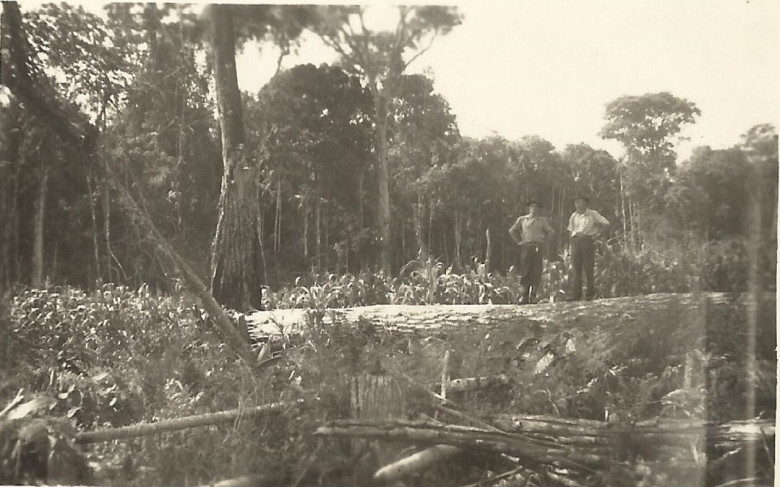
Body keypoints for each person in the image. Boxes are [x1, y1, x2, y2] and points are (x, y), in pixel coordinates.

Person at [509, 200, 555, 304]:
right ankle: (524, 296)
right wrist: (519, 242)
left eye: (536, 207)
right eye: (532, 207)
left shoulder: (542, 220)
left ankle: (533, 296)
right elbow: (512, 231)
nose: (534, 209)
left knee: (536, 271)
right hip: (526, 246)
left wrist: (545, 241)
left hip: (538, 246)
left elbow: (551, 231)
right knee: (525, 271)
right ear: (528, 208)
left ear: (539, 209)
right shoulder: (522, 219)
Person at [567, 195, 609, 301]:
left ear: (585, 203)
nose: (578, 204)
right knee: (576, 268)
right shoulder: (574, 215)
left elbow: (606, 224)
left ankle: (590, 294)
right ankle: (576, 295)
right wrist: (571, 244)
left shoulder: (593, 214)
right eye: (576, 202)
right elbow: (570, 230)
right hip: (576, 242)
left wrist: (597, 236)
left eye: (580, 202)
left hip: (587, 241)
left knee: (588, 268)